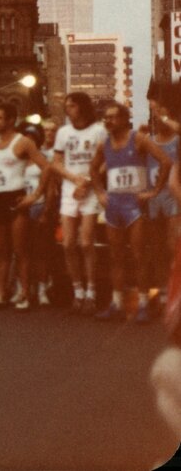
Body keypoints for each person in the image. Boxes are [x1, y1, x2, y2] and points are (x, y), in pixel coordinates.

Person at [90, 102, 172, 322]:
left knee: (138, 256)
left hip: (135, 203)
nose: (108, 121)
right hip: (114, 203)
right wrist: (99, 192)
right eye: (105, 117)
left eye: (113, 117)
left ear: (125, 119)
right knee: (115, 256)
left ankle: (144, 303)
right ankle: (117, 303)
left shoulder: (138, 139)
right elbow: (93, 169)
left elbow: (166, 161)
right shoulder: (104, 144)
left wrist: (154, 191)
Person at [0, 102, 50, 310]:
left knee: (20, 250)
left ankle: (25, 294)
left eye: (0, 118)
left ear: (11, 120)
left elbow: (46, 168)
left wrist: (35, 195)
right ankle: (2, 294)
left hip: (16, 198)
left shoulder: (23, 142)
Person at [50, 92, 106, 315]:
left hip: (90, 190)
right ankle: (78, 291)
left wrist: (90, 181)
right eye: (66, 106)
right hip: (70, 189)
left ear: (82, 107)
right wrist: (73, 179)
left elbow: (105, 160)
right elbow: (56, 162)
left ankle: (91, 292)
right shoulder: (63, 132)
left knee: (86, 243)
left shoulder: (98, 130)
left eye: (72, 106)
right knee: (68, 243)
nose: (68, 109)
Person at [19, 122, 60, 306]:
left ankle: (42, 289)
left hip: (38, 207)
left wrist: (46, 211)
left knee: (41, 251)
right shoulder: (16, 161)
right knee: (21, 252)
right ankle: (23, 288)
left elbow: (51, 188)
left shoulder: (42, 160)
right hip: (21, 208)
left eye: (32, 139)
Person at [146, 102, 179, 316]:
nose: (158, 118)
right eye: (155, 115)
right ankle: (160, 288)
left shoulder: (177, 140)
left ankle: (173, 289)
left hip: (171, 196)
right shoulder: (148, 141)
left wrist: (164, 115)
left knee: (171, 244)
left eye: (162, 114)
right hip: (152, 196)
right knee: (156, 247)